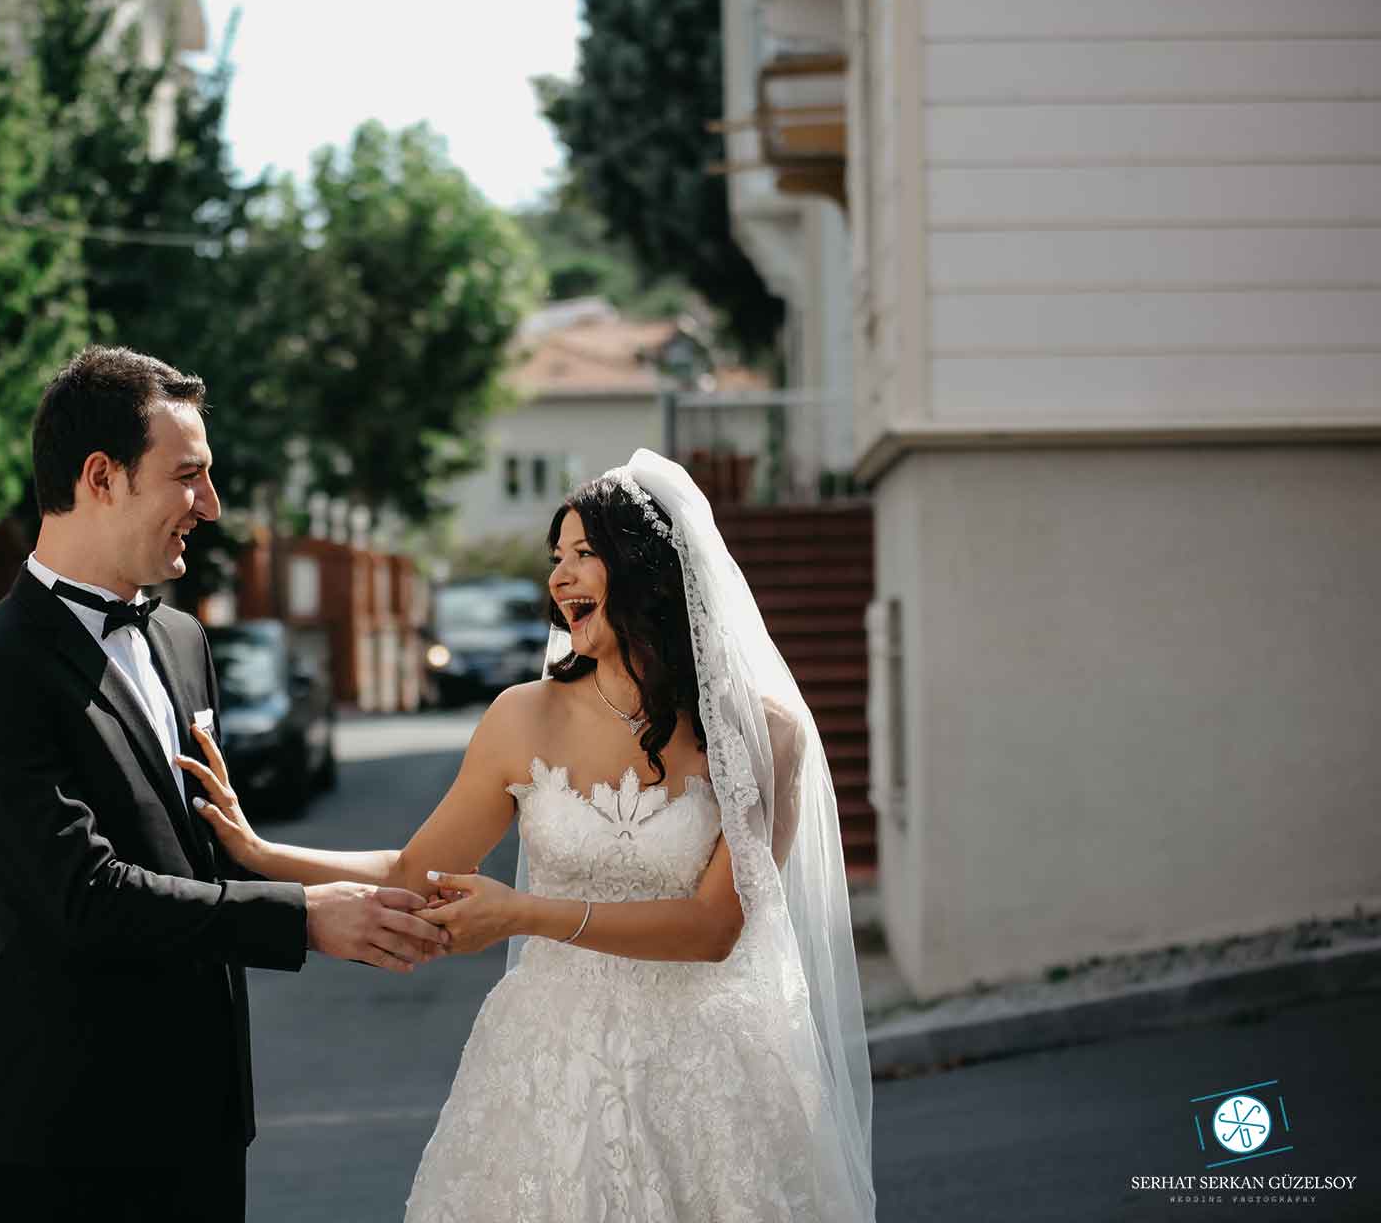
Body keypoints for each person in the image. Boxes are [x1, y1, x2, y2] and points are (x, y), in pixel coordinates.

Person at [185, 448, 878, 1221]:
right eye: (557, 557)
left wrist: (522, 913)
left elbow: (717, 928)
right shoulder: (523, 716)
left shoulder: (760, 734)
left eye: (585, 554)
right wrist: (262, 853)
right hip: (553, 1063)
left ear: (648, 572)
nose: (558, 577)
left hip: (708, 1069)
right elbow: (416, 867)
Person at [0, 346, 448, 1223]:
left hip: (204, 1118)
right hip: (68, 1138)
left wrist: (381, 889)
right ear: (101, 477)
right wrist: (305, 923)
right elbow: (81, 894)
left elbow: (209, 856)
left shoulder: (182, 642)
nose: (208, 508)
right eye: (189, 478)